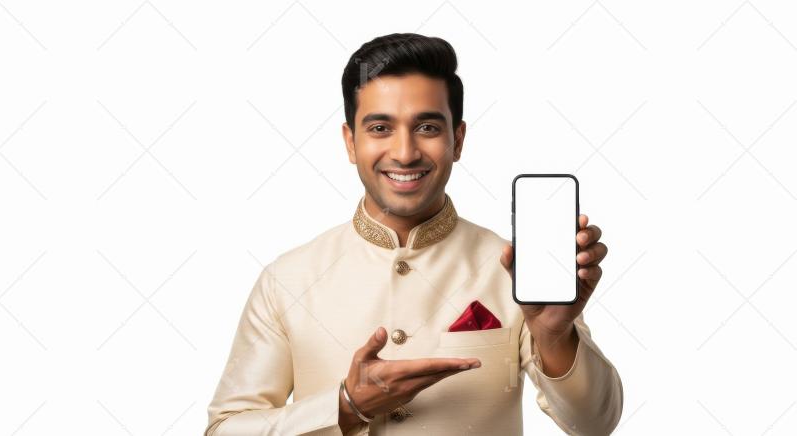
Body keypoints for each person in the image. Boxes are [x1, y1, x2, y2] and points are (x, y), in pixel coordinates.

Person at [205, 32, 623, 436]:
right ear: (350, 142)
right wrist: (346, 406)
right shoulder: (286, 280)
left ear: (457, 140)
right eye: (380, 128)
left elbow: (595, 425)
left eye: (427, 128)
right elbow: (225, 429)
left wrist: (553, 336)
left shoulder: (513, 270)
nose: (405, 153)